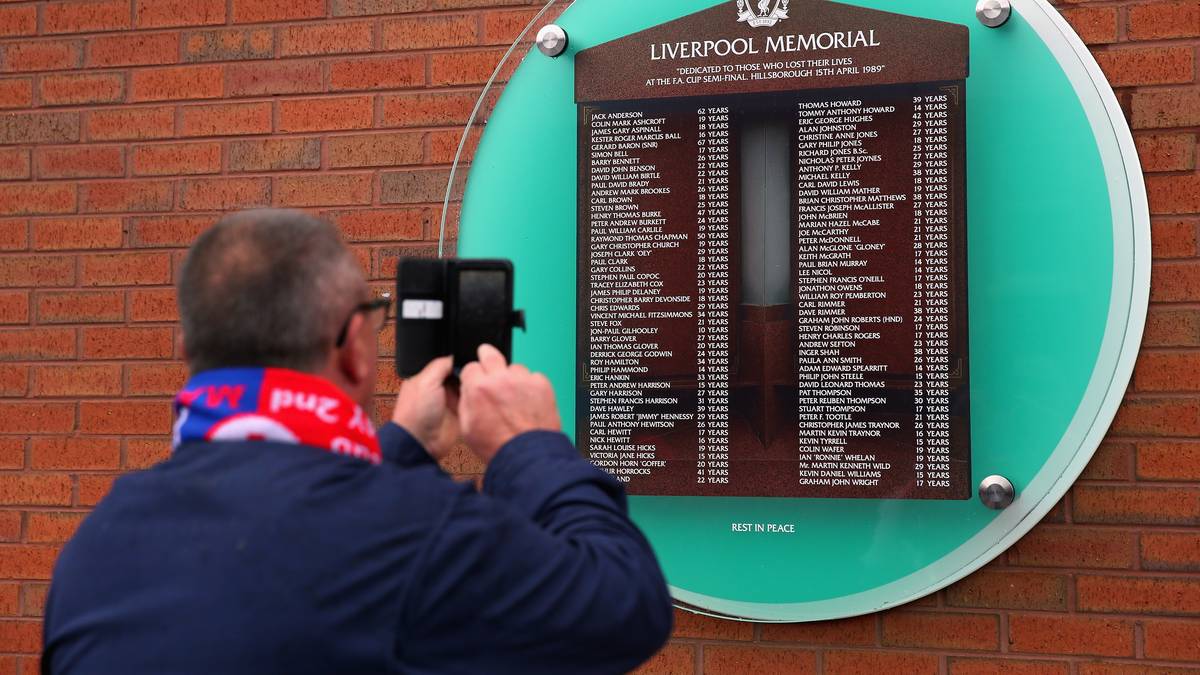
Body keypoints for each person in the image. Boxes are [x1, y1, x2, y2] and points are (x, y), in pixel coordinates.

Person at [41, 209, 673, 674]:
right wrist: (528, 444)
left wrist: (399, 446)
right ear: (352, 348)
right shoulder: (417, 534)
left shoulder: (94, 548)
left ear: (189, 352)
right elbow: (623, 605)